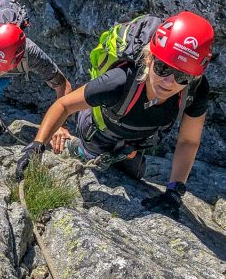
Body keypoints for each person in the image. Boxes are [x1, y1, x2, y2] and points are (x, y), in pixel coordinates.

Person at [14, 12, 214, 214]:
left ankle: (114, 153)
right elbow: (64, 106)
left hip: (135, 142)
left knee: (133, 174)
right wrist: (36, 146)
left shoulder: (195, 90)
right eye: (162, 68)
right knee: (92, 153)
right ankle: (76, 147)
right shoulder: (119, 81)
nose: (169, 82)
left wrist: (174, 191)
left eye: (181, 75)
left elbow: (188, 141)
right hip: (98, 130)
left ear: (193, 76)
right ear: (149, 58)